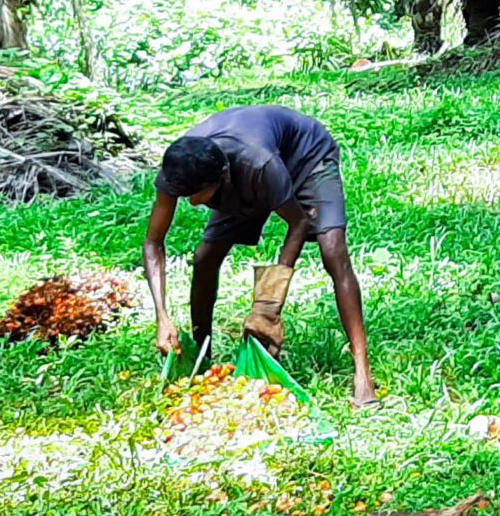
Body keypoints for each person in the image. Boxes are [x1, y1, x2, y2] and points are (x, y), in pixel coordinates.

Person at [143, 104, 379, 406]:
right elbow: (153, 243)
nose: (190, 203)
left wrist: (268, 306)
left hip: (306, 158)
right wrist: (162, 317)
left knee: (332, 250)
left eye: (197, 195)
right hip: (244, 174)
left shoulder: (258, 163)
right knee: (205, 258)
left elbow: (298, 222)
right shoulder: (178, 168)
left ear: (222, 177)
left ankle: (363, 373)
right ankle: (203, 358)